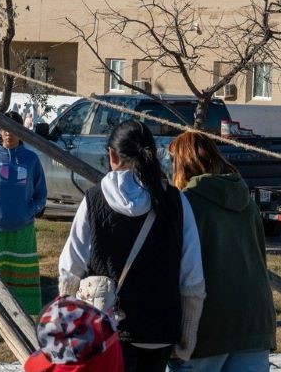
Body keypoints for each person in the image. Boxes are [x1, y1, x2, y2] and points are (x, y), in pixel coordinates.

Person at [58, 120, 205, 372]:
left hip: (107, 329)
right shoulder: (175, 201)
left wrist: (67, 324)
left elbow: (71, 269)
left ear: (112, 155)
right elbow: (192, 276)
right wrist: (187, 336)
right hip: (160, 329)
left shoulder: (94, 200)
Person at [168, 131, 275, 372]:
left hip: (208, 324)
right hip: (255, 320)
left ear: (182, 164)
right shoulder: (247, 201)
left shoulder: (186, 204)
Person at [0, 110, 49, 346]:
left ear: (20, 132)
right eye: (3, 129)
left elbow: (41, 194)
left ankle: (22, 330)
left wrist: (29, 210)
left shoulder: (31, 160)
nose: (8, 134)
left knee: (20, 281)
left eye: (13, 129)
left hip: (22, 230)